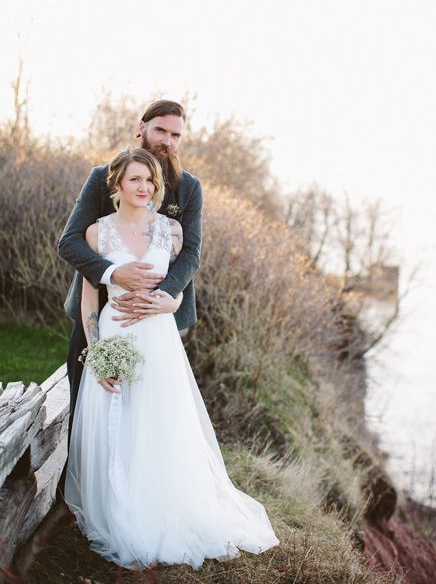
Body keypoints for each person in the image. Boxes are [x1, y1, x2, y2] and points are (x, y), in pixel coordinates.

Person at [64, 147, 279, 569]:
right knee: (118, 421)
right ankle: (120, 503)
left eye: (150, 181)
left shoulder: (172, 233)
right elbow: (90, 302)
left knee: (159, 420)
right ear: (117, 185)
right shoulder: (96, 234)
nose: (144, 188)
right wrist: (99, 353)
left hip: (160, 338)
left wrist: (170, 301)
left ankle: (163, 500)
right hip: (116, 333)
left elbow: (181, 283)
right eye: (135, 180)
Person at [58, 100, 202, 436]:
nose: (167, 140)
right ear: (142, 128)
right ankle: (69, 485)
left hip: (158, 312)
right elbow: (70, 241)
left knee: (154, 408)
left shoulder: (188, 187)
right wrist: (112, 273)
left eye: (175, 135)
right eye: (160, 130)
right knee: (86, 398)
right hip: (101, 304)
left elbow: (191, 253)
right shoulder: (102, 177)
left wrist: (166, 296)